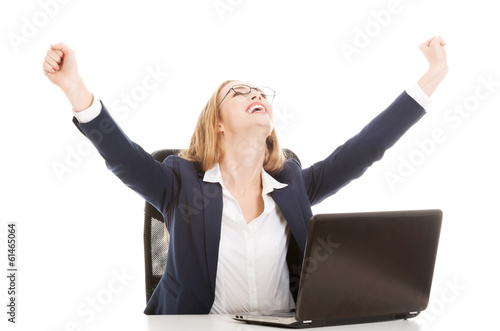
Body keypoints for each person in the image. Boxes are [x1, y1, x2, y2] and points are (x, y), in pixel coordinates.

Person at [42, 37, 448, 315]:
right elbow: (122, 157)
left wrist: (431, 76)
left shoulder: (293, 185)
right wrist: (74, 87)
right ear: (217, 124)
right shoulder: (179, 182)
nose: (256, 95)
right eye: (239, 93)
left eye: (260, 92)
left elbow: (364, 149)